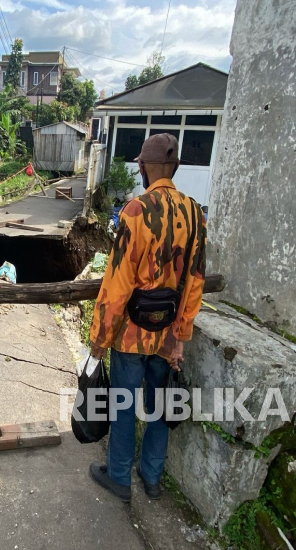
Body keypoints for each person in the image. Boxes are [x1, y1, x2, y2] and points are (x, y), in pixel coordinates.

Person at [88, 133, 206, 503]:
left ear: (143, 166)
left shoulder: (135, 212)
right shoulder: (195, 213)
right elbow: (195, 280)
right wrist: (180, 336)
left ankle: (120, 477)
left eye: (139, 164)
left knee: (124, 406)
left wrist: (99, 338)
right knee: (160, 404)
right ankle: (151, 477)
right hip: (168, 333)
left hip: (131, 336)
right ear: (174, 167)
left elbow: (117, 283)